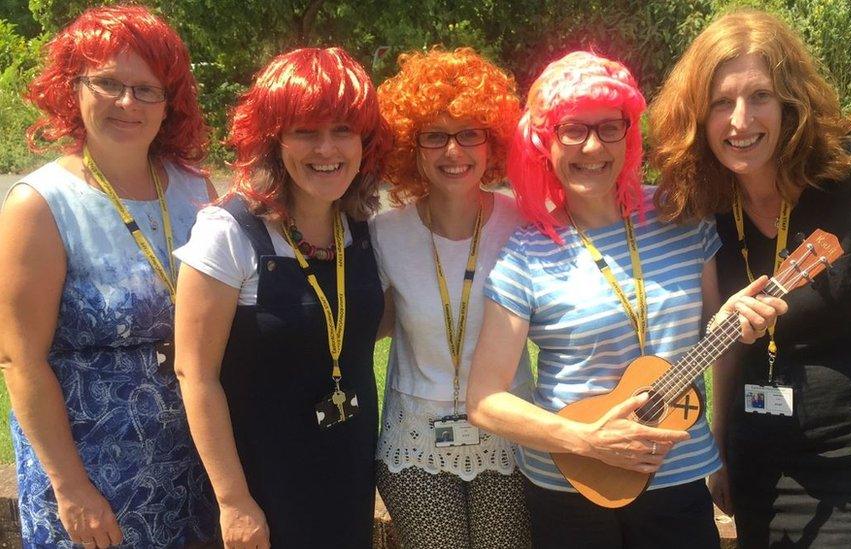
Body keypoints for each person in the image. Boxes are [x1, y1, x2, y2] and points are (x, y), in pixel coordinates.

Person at [648, 8, 851, 547]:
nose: (740, 120)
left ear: (793, 101)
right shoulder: (709, 200)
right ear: (698, 115)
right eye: (721, 102)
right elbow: (725, 345)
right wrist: (720, 450)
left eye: (760, 97)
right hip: (764, 458)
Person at [465, 51, 786, 549]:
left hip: (677, 475)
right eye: (572, 130)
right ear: (544, 143)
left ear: (629, 133)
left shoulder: (682, 217)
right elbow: (485, 401)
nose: (592, 147)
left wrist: (719, 441)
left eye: (609, 127)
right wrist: (586, 440)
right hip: (573, 486)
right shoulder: (527, 254)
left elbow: (715, 341)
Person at [0, 5, 218, 548]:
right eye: (108, 83)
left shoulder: (197, 191)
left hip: (195, 462)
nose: (128, 102)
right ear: (72, 89)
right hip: (95, 478)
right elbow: (19, 360)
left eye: (148, 89)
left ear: (170, 103)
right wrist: (70, 488)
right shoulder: (41, 205)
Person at [173, 47, 390, 548]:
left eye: (342, 130)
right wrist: (233, 501)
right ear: (272, 140)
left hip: (346, 469)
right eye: (304, 131)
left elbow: (360, 325)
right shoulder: (227, 232)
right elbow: (195, 374)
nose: (326, 148)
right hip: (261, 481)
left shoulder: (362, 227)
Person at [371, 47, 532, 548]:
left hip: (511, 431)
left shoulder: (524, 222)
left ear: (493, 141)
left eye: (469, 133)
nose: (453, 152)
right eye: (434, 136)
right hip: (416, 441)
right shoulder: (384, 232)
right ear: (410, 146)